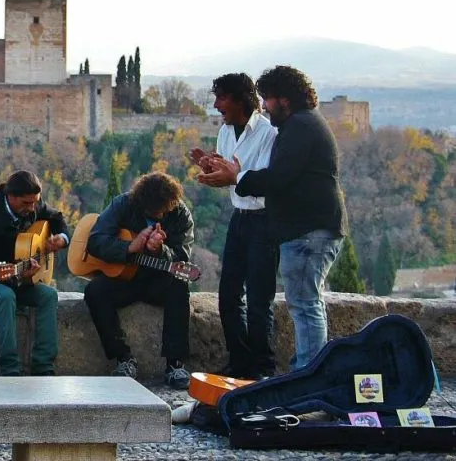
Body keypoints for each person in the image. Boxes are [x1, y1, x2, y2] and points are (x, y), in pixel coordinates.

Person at [200, 65, 348, 370]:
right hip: (300, 227)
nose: (264, 105)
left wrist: (236, 176)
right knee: (301, 302)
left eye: (267, 98)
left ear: (284, 98)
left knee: (300, 304)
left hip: (307, 230)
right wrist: (225, 173)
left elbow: (277, 178)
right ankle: (301, 372)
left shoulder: (298, 128)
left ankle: (304, 375)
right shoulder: (302, 124)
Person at [189, 73, 278, 380]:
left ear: (241, 100)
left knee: (258, 299)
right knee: (228, 296)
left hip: (264, 222)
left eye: (222, 98)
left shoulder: (268, 133)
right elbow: (229, 181)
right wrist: (211, 169)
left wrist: (231, 175)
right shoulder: (226, 131)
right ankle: (239, 362)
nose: (216, 105)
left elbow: (266, 183)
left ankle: (262, 368)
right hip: (239, 219)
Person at [83, 172, 194, 389]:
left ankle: (175, 364)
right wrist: (129, 248)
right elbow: (95, 240)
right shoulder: (123, 204)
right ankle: (123, 358)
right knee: (95, 291)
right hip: (126, 278)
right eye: (154, 212)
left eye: (164, 210)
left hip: (158, 279)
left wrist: (160, 250)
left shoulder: (180, 214)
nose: (160, 214)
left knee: (180, 286)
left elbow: (182, 257)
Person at [0, 170, 68, 376]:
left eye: (35, 202)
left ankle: (44, 366)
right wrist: (18, 275)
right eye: (27, 203)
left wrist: (61, 238)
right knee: (5, 296)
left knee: (48, 295)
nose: (32, 208)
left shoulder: (34, 205)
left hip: (19, 277)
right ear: (11, 197)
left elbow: (56, 217)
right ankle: (10, 368)